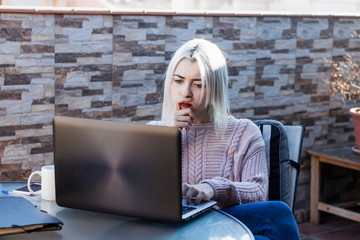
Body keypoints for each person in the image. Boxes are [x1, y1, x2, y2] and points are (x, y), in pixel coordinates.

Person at [150, 38, 300, 240]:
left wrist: (213, 188)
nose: (185, 93)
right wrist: (165, 138)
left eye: (198, 84)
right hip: (170, 227)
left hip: (222, 224)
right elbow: (133, 193)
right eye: (178, 81)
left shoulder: (244, 132)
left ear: (216, 88)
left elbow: (258, 193)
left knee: (278, 213)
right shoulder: (154, 133)